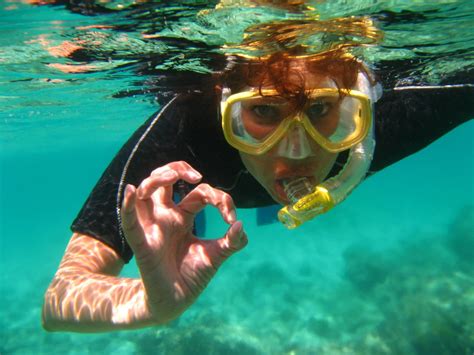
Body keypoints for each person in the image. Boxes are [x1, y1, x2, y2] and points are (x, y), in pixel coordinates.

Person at [42, 15, 473, 332]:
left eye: (321, 109)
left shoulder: (378, 128)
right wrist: (147, 303)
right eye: (264, 111)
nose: (297, 151)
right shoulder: (185, 136)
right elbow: (62, 295)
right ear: (224, 108)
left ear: (358, 106)